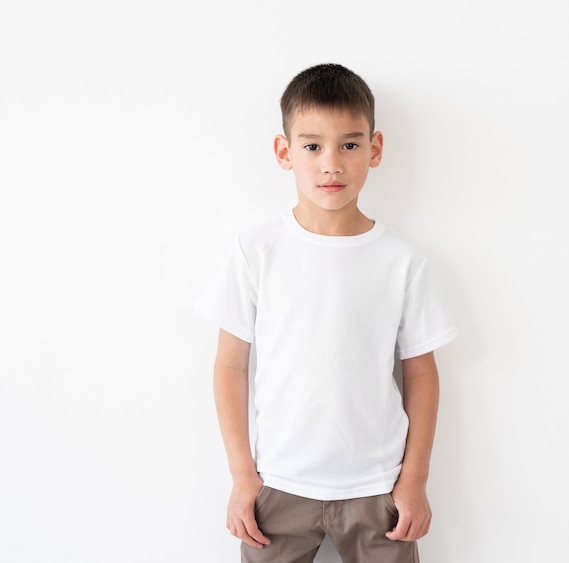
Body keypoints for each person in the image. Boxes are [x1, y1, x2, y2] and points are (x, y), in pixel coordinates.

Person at [194, 63, 458, 563]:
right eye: (312, 146)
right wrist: (241, 475)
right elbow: (230, 366)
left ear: (375, 149)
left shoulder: (402, 261)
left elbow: (421, 372)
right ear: (284, 152)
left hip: (379, 489)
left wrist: (415, 479)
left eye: (350, 145)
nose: (331, 164)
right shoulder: (256, 251)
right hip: (278, 485)